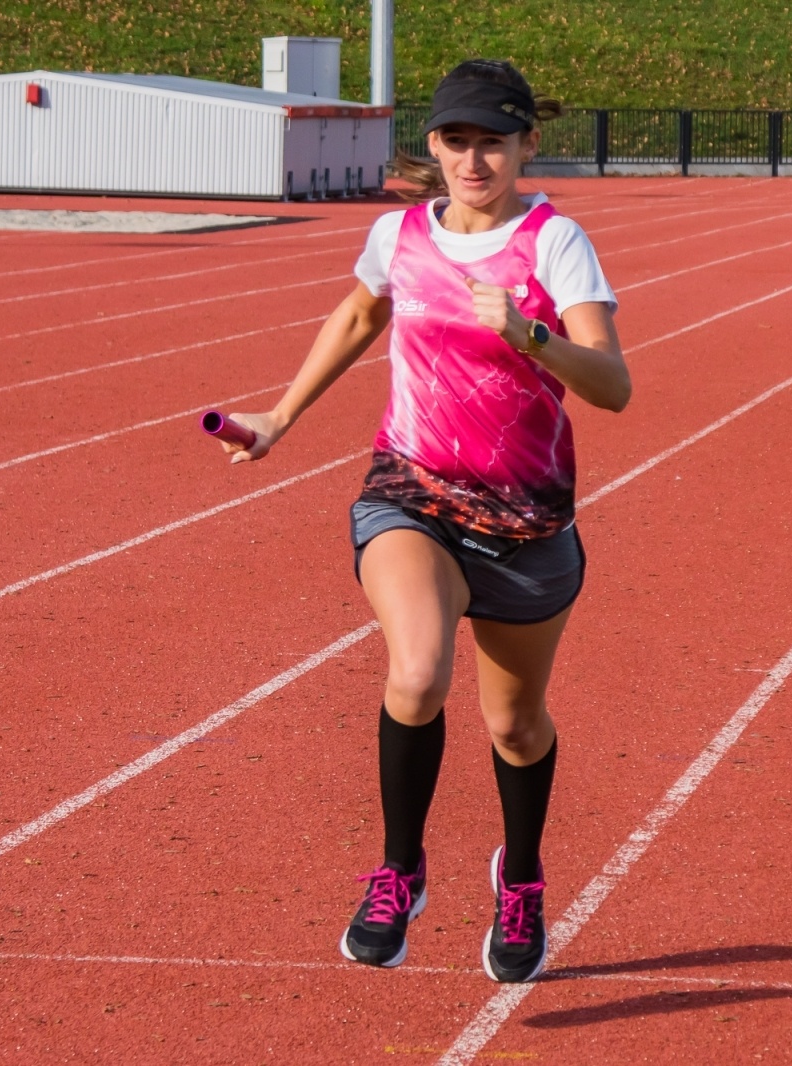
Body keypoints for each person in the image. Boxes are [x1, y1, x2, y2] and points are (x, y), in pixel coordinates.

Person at [216, 58, 630, 983]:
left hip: (527, 522)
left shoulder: (554, 244)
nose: (473, 159)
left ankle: (518, 878)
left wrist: (532, 335)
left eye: (493, 141)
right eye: (456, 140)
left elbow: (615, 387)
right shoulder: (398, 234)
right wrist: (280, 418)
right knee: (417, 671)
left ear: (527, 145)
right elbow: (363, 311)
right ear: (432, 145)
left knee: (517, 727)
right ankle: (398, 871)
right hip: (412, 491)